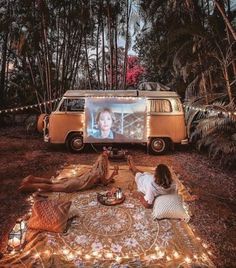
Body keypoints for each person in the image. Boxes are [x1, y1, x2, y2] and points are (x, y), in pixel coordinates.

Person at [19, 152, 118, 193]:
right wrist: (114, 173)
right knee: (51, 187)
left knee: (52, 182)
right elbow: (105, 183)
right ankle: (29, 186)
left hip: (76, 180)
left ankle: (32, 179)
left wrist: (110, 178)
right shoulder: (100, 174)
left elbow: (103, 181)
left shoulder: (94, 169)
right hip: (76, 184)